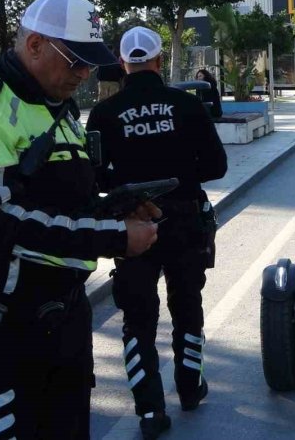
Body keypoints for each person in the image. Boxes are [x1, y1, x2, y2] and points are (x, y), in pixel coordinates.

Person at [0, 0, 159, 439]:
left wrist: (114, 206)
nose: (83, 75)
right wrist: (115, 237)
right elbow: (4, 224)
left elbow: (64, 202)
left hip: (62, 328)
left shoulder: (57, 109)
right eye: (76, 61)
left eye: (91, 65)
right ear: (36, 44)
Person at [86, 26, 227, 439]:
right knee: (187, 306)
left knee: (137, 316)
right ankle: (189, 388)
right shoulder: (186, 104)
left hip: (131, 225)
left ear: (121, 61)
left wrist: (129, 182)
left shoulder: (104, 114)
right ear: (159, 60)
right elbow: (216, 166)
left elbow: (93, 175)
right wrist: (180, 176)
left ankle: (149, 411)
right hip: (184, 220)